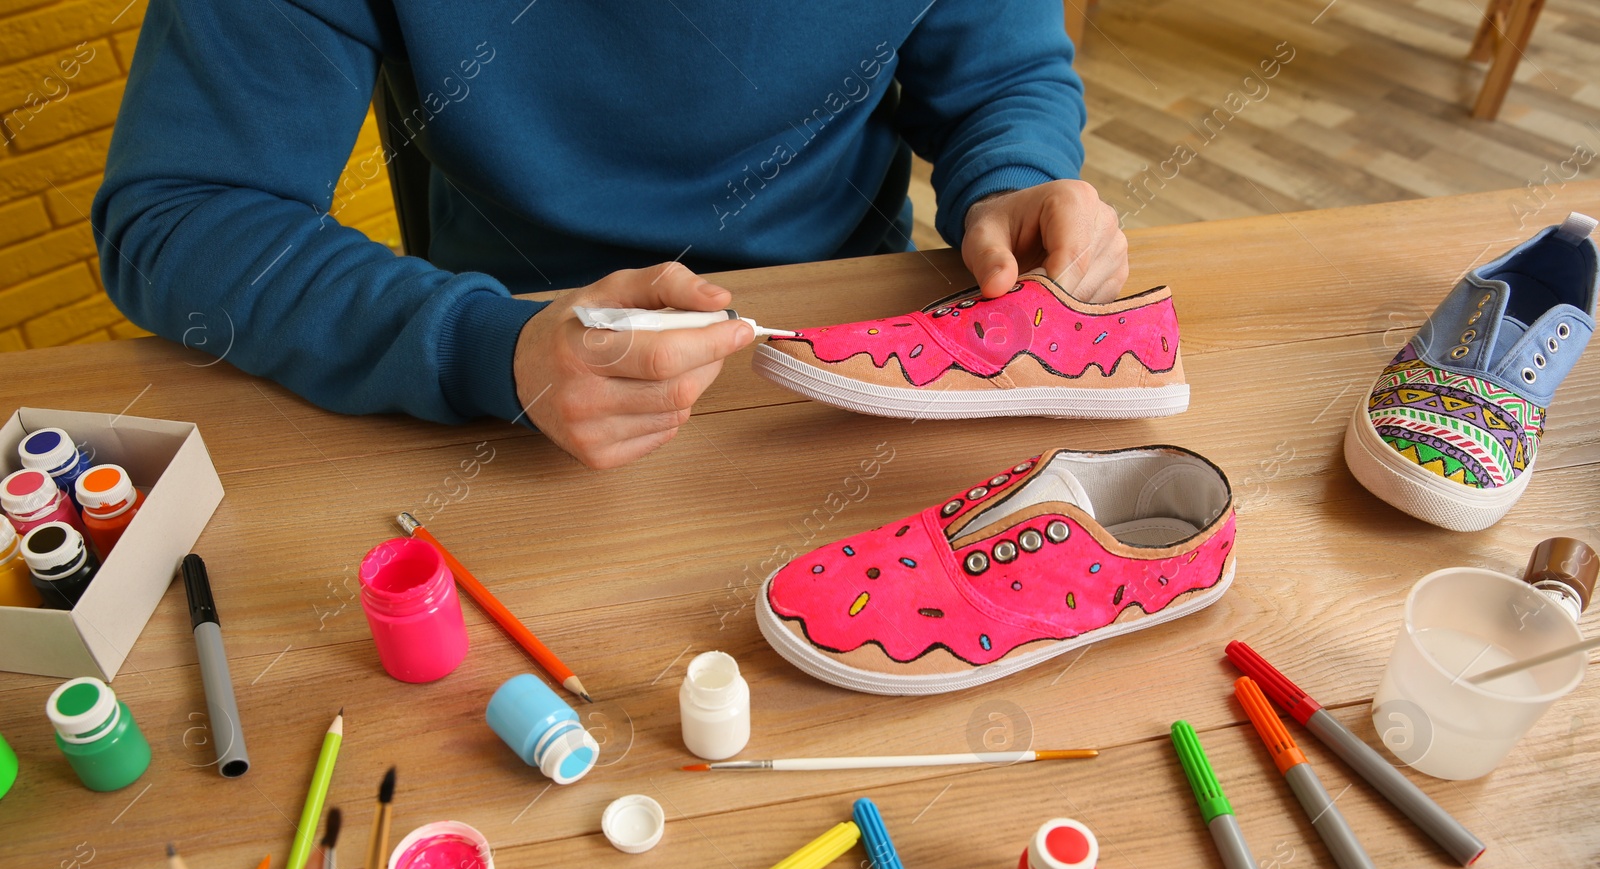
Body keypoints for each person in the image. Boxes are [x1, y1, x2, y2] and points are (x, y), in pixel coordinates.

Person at [94, 1, 1126, 469]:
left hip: (855, 360)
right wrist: (481, 347)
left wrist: (1014, 179)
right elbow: (181, 213)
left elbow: (1002, 75)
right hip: (514, 379)